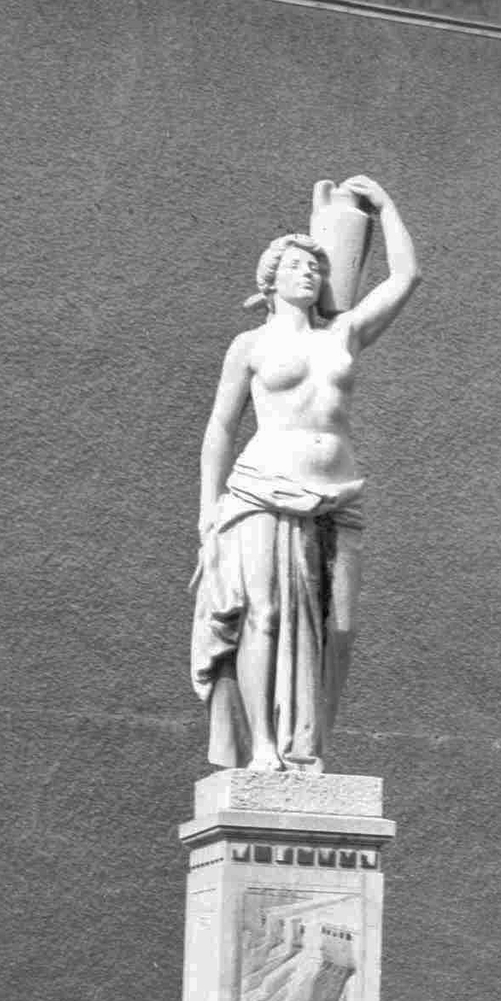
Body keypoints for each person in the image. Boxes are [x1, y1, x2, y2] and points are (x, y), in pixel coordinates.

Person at [191, 175, 419, 773]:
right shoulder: (250, 345)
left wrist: (387, 207)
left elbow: (405, 279)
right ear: (271, 280)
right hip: (262, 489)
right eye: (295, 266)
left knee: (337, 629)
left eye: (316, 266)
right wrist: (208, 510)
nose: (309, 273)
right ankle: (263, 746)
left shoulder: (343, 333)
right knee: (261, 615)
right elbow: (220, 427)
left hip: (339, 494)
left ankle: (307, 744)